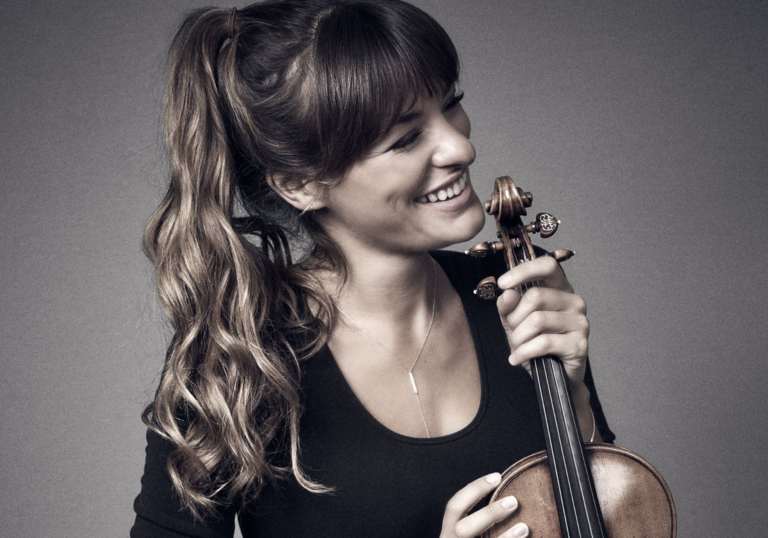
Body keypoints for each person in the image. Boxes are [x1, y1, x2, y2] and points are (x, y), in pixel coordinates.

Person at [131, 1, 614, 537]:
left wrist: (575, 400)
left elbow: (612, 516)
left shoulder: (517, 289)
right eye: (405, 138)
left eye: (452, 105)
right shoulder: (237, 356)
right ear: (300, 184)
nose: (461, 146)